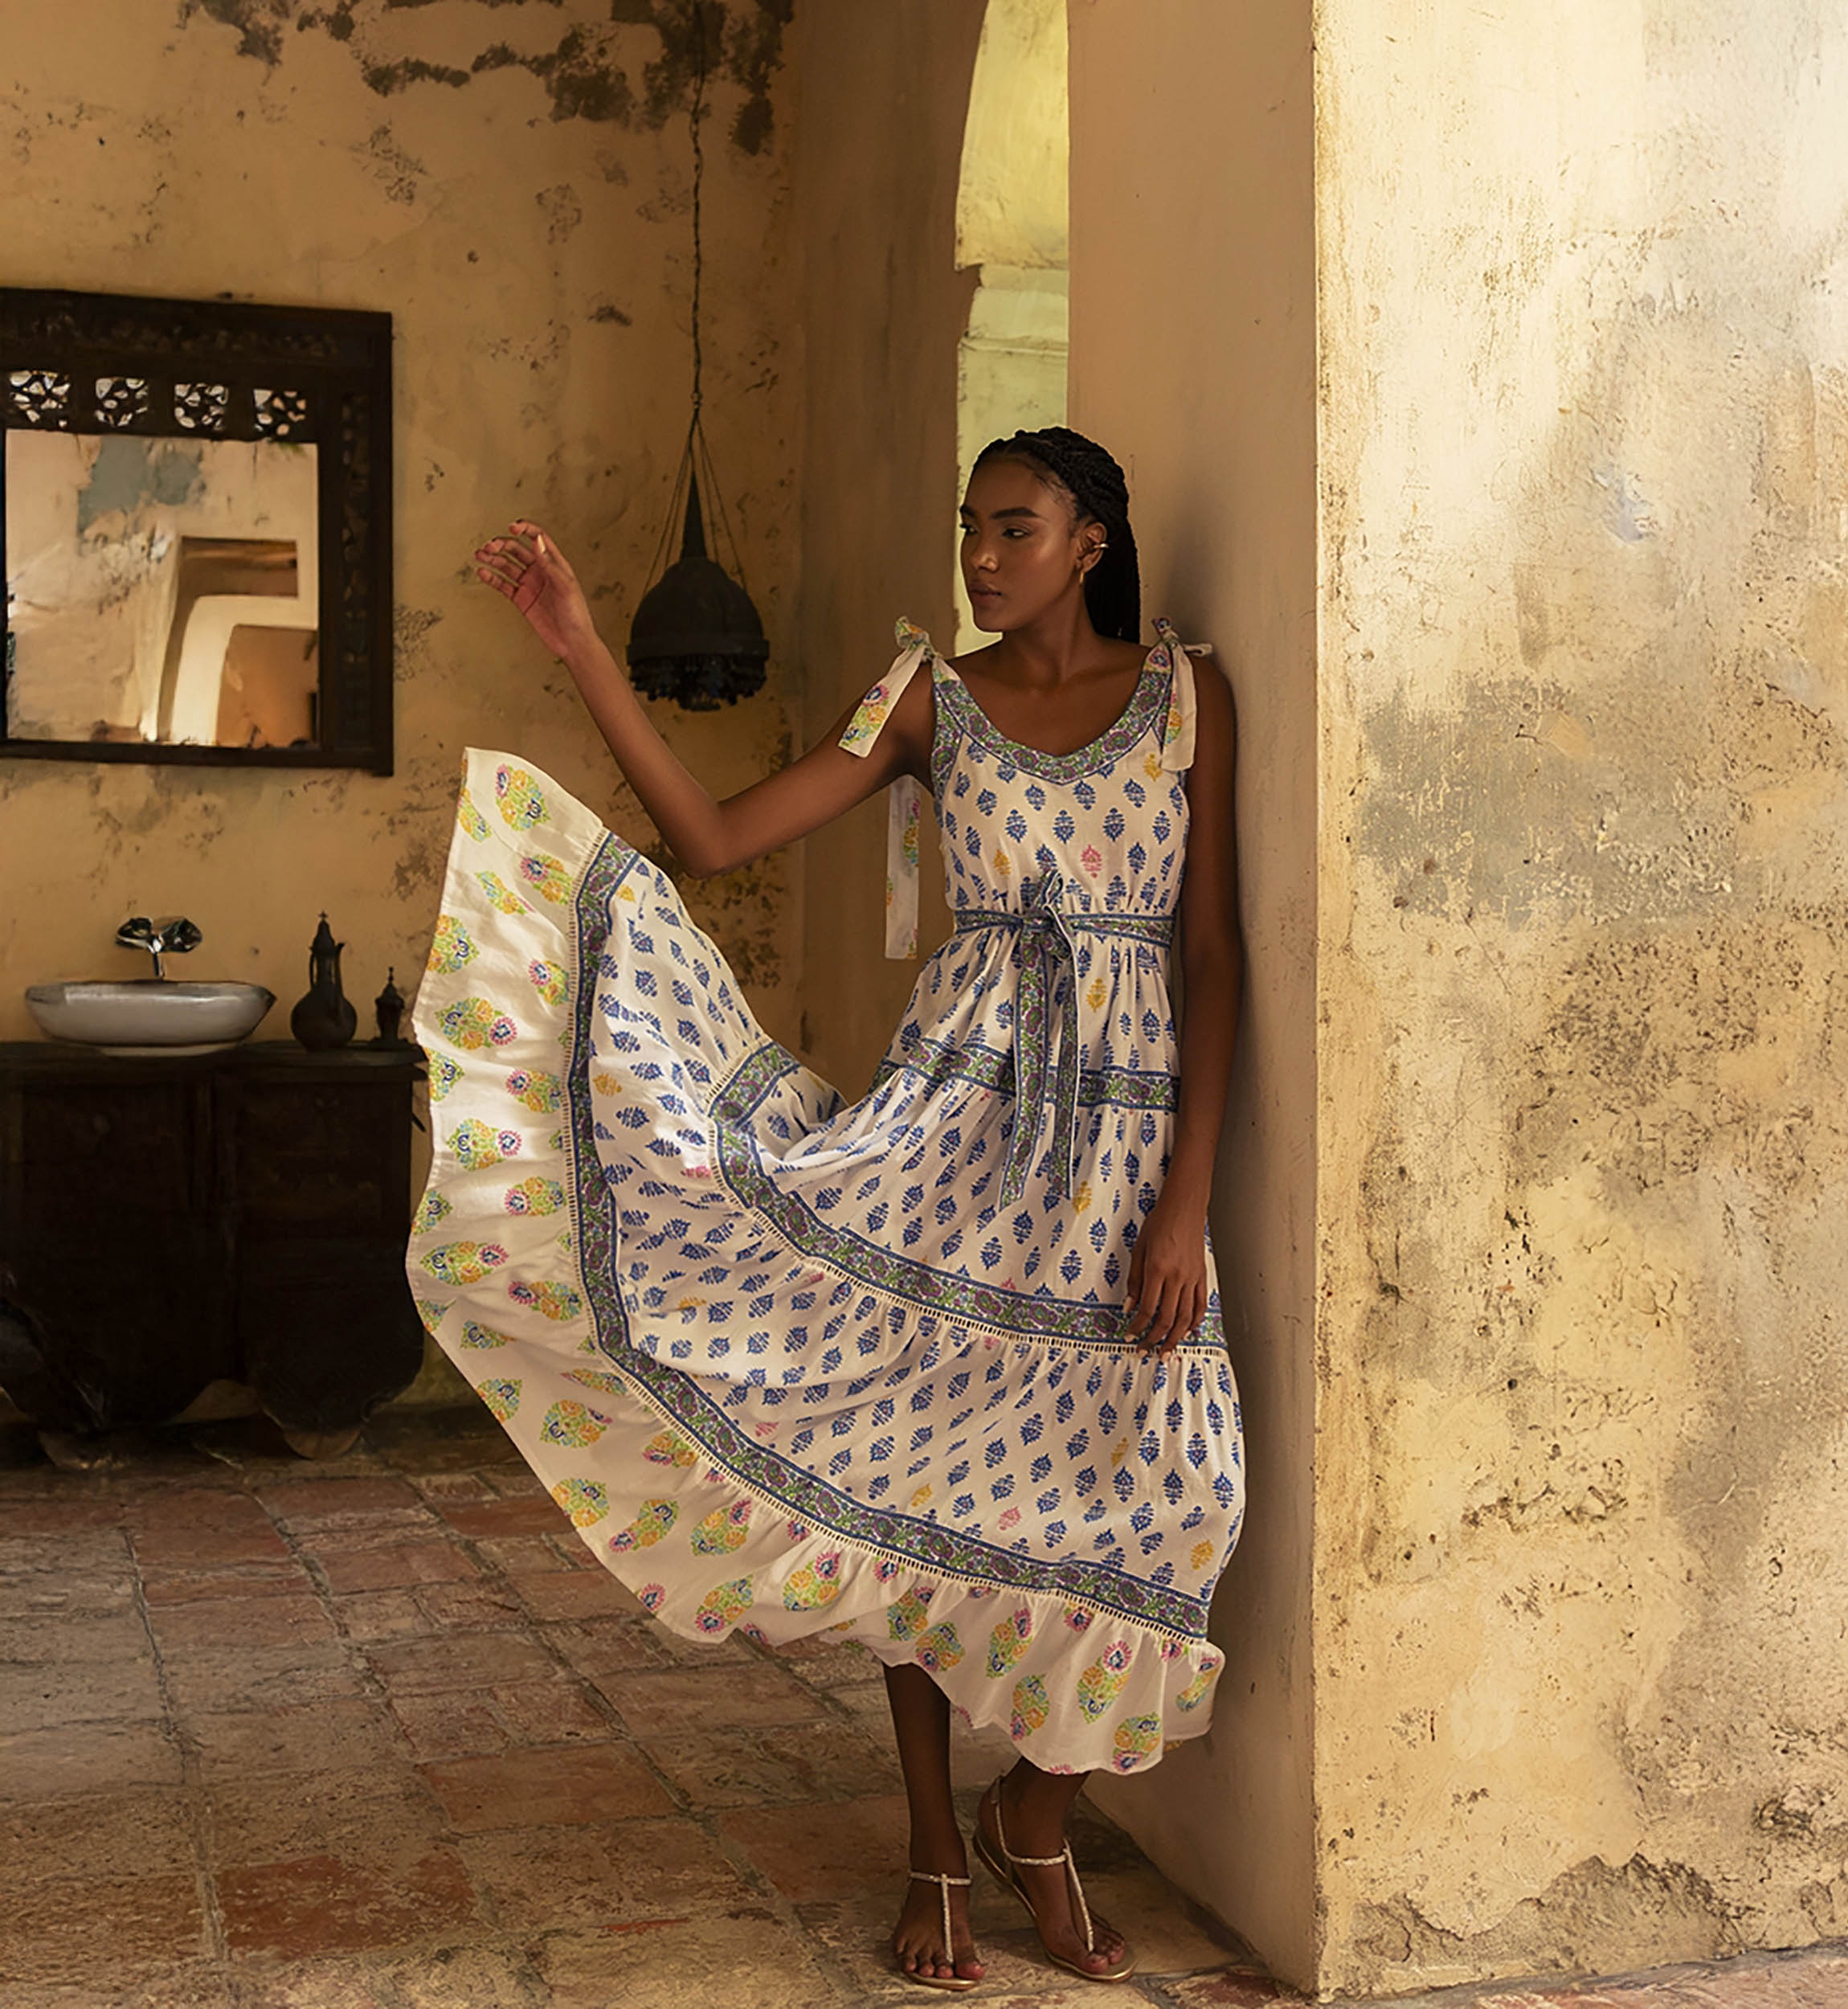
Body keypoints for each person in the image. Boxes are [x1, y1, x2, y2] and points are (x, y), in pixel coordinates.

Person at [409, 425, 1244, 1990]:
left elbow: (1209, 953)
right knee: (913, 1483)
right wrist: (585, 649)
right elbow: (717, 836)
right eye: (970, 527)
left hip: (1122, 1156)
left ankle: (1034, 1815)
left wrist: (1187, 1195)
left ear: (1089, 540)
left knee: (1183, 1493)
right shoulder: (929, 694)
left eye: (1014, 528)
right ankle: (938, 1837)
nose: (982, 554)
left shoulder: (1186, 695)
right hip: (948, 1134)